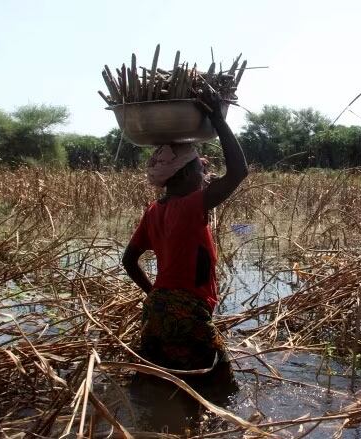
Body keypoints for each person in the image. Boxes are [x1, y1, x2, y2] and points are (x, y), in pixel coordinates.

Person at [122, 90, 248, 418]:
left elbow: (128, 260)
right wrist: (218, 119)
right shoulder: (193, 204)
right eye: (199, 167)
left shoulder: (154, 211)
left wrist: (156, 294)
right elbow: (238, 172)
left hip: (156, 311)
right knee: (222, 391)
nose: (205, 173)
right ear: (185, 175)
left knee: (158, 387)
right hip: (187, 312)